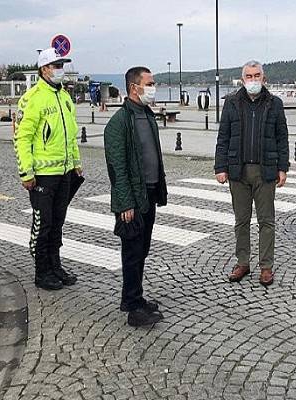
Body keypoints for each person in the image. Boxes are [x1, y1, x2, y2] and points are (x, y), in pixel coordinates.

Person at [214, 60, 289, 286]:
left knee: (267, 221)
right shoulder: (232, 103)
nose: (253, 80)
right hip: (238, 170)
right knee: (241, 221)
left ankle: (266, 267)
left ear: (263, 78)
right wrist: (220, 167)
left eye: (257, 76)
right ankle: (243, 262)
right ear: (242, 79)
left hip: (265, 170)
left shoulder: (274, 103)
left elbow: (281, 138)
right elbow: (223, 137)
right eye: (249, 76)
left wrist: (282, 168)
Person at [104, 66, 168, 327]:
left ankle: (136, 297)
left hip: (150, 192)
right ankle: (132, 306)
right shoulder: (119, 123)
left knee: (142, 249)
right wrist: (125, 203)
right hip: (132, 198)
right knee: (132, 251)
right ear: (134, 87)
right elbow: (117, 168)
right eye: (149, 83)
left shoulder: (147, 115)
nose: (153, 88)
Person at [14, 48, 82, 290]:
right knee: (43, 225)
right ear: (44, 69)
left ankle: (55, 266)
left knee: (58, 223)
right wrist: (26, 172)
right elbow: (22, 137)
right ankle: (42, 273)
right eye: (57, 65)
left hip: (64, 172)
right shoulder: (32, 98)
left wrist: (76, 163)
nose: (60, 70)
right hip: (42, 175)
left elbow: (71, 135)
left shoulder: (64, 96)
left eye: (62, 65)